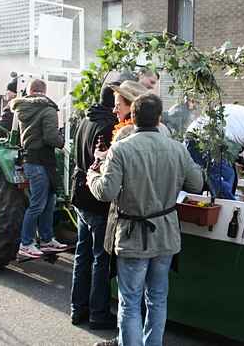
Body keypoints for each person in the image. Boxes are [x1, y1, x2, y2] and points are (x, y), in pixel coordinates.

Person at [87, 93, 203, 346]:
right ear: (159, 117)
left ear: (133, 118)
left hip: (132, 236)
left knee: (129, 302)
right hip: (165, 235)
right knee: (158, 298)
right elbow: (197, 183)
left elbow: (106, 192)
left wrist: (91, 178)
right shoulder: (177, 149)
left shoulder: (121, 149)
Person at [70, 84, 118, 330]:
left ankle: (78, 308)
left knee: (83, 254)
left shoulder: (85, 119)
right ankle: (99, 312)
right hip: (96, 197)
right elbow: (104, 166)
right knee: (101, 258)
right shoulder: (109, 126)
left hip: (79, 194)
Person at [11, 79, 68, 259]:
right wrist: (62, 140)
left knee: (47, 202)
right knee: (38, 204)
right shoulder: (48, 109)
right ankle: (26, 243)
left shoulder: (23, 108)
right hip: (43, 161)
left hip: (30, 160)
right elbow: (52, 137)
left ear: (30, 91)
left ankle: (47, 239)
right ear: (44, 91)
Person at [186, 104, 244, 199]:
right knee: (226, 175)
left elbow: (233, 152)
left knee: (200, 179)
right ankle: (229, 209)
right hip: (207, 140)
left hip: (192, 136)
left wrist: (242, 161)